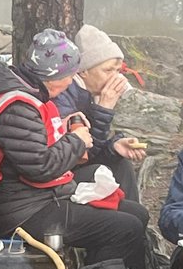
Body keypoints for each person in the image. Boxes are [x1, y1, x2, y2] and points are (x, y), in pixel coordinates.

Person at [0, 28, 147, 269]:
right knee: (126, 229)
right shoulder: (16, 106)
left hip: (44, 197)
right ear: (51, 74)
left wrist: (65, 130)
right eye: (69, 76)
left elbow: (39, 147)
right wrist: (76, 140)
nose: (70, 82)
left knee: (137, 214)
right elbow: (41, 167)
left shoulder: (33, 96)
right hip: (24, 212)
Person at [54, 23, 146, 204]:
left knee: (122, 163)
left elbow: (95, 149)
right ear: (84, 71)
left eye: (118, 70)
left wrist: (114, 146)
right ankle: (130, 224)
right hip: (59, 179)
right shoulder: (64, 96)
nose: (116, 77)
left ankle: (134, 224)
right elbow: (80, 156)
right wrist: (103, 108)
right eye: (108, 70)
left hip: (78, 168)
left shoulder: (91, 94)